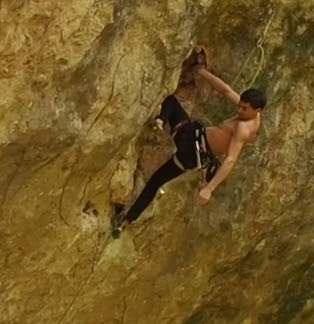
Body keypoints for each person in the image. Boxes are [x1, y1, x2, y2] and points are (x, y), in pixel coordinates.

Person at [111, 56, 266, 237]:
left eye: (244, 109)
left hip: (191, 142)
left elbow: (231, 159)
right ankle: (125, 221)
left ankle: (160, 122)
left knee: (170, 102)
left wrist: (209, 189)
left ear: (257, 110)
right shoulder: (252, 115)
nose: (239, 111)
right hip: (193, 157)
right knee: (156, 181)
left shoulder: (243, 129)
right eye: (240, 106)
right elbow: (226, 90)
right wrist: (201, 72)